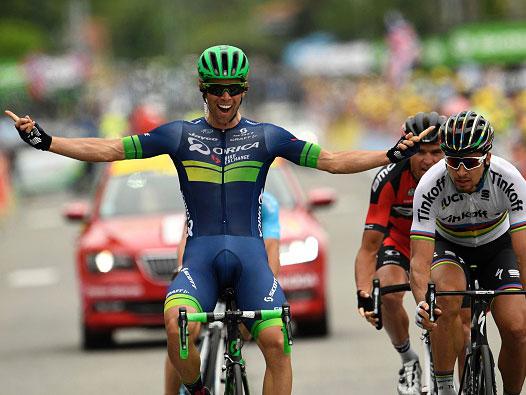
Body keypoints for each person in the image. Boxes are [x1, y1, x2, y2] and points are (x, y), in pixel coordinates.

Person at [5, 44, 431, 395]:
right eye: (215, 90)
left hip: (250, 259)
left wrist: (391, 153)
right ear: (202, 91)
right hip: (201, 258)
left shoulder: (267, 137)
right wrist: (46, 141)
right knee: (176, 325)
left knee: (277, 343)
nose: (225, 98)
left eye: (233, 89)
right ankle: (198, 390)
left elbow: (334, 161)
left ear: (244, 90)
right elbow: (110, 150)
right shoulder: (178, 135)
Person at [410, 111, 526, 395]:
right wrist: (423, 304)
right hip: (450, 246)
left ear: (487, 157)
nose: (461, 172)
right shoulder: (429, 185)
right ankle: (446, 387)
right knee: (445, 301)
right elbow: (419, 262)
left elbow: (523, 250)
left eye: (471, 162)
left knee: (517, 328)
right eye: (452, 161)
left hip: (498, 248)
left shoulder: (510, 178)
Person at [355, 112, 445, 395]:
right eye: (420, 151)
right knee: (389, 291)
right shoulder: (388, 179)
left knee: (454, 302)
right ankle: (408, 359)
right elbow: (369, 247)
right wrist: (364, 294)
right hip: (400, 244)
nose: (428, 160)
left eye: (436, 152)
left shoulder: (456, 174)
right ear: (406, 147)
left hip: (439, 246)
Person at [166, 191, 281, 394]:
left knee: (257, 332)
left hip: (245, 275)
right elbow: (187, 238)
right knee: (182, 335)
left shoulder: (266, 204)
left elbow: (272, 250)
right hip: (205, 273)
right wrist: (183, 270)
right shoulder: (203, 192)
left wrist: (268, 288)